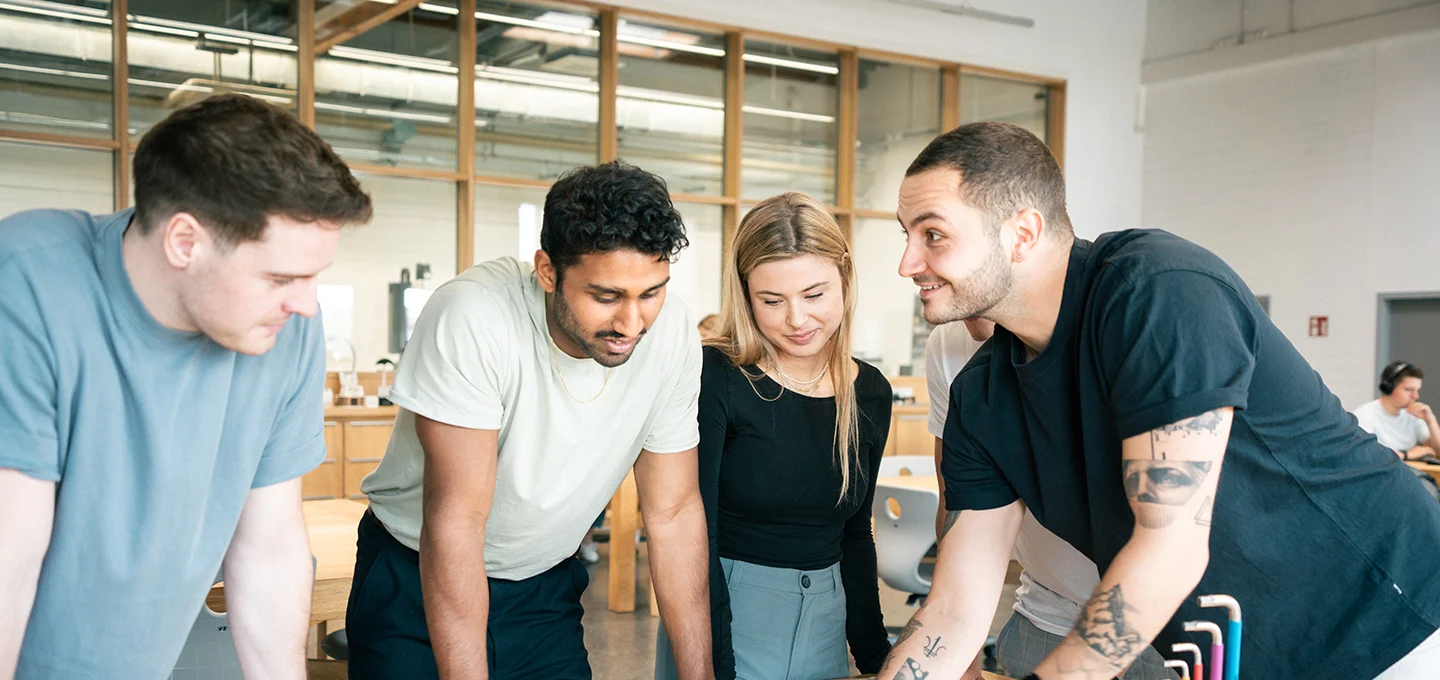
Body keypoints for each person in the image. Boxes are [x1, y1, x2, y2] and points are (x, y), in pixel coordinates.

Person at [878, 122, 1440, 680]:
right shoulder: (980, 398)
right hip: (1246, 647)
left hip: (1393, 618)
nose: (907, 263)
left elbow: (1169, 550)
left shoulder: (1157, 292)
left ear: (1021, 233)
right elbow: (953, 613)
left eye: (933, 235)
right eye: (907, 235)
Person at [0, 93, 373, 679]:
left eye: (313, 277)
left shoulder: (286, 324)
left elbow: (267, 547)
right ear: (184, 242)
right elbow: (9, 558)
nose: (305, 302)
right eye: (281, 276)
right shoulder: (26, 284)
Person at [347, 161, 714, 680]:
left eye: (651, 293)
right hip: (416, 574)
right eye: (606, 296)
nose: (632, 323)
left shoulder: (673, 333)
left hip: (542, 585)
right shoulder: (474, 316)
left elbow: (674, 513)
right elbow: (456, 522)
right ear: (547, 270)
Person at [656, 192, 891, 680]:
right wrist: (711, 663)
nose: (797, 320)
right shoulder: (717, 375)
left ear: (845, 281)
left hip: (827, 616)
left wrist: (873, 655)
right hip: (727, 606)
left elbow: (855, 531)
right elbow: (692, 528)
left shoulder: (869, 391)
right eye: (771, 300)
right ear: (744, 295)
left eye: (815, 294)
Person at [924, 319, 1177, 680]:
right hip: (1048, 608)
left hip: (1161, 622)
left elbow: (1177, 536)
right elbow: (955, 502)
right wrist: (958, 648)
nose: (913, 268)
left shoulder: (1121, 325)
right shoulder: (951, 349)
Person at [1353, 361, 1440, 461]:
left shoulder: (1413, 414)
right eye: (1408, 390)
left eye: (1417, 390)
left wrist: (1430, 420)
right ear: (1388, 388)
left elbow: (1437, 451)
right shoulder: (1365, 414)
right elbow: (1365, 454)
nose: (1416, 396)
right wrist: (1406, 454)